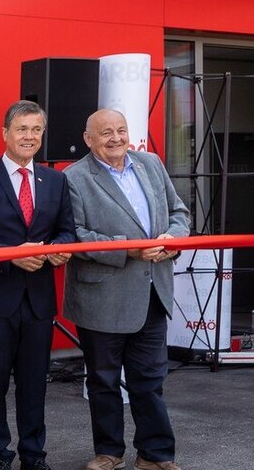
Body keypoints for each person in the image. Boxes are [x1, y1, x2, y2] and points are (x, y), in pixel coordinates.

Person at [64, 109, 190, 470]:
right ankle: (109, 452)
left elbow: (180, 213)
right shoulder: (73, 178)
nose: (116, 138)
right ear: (89, 139)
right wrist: (129, 249)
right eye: (106, 133)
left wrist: (173, 239)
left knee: (150, 381)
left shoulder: (150, 163)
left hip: (152, 291)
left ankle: (155, 454)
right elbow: (77, 236)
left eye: (121, 130)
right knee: (103, 382)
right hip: (101, 297)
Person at [0, 100, 75, 470]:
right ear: (5, 134)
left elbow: (67, 232)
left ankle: (34, 456)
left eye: (36, 130)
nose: (29, 137)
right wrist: (10, 254)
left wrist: (59, 250)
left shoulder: (56, 181)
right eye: (22, 129)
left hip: (39, 302)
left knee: (35, 386)